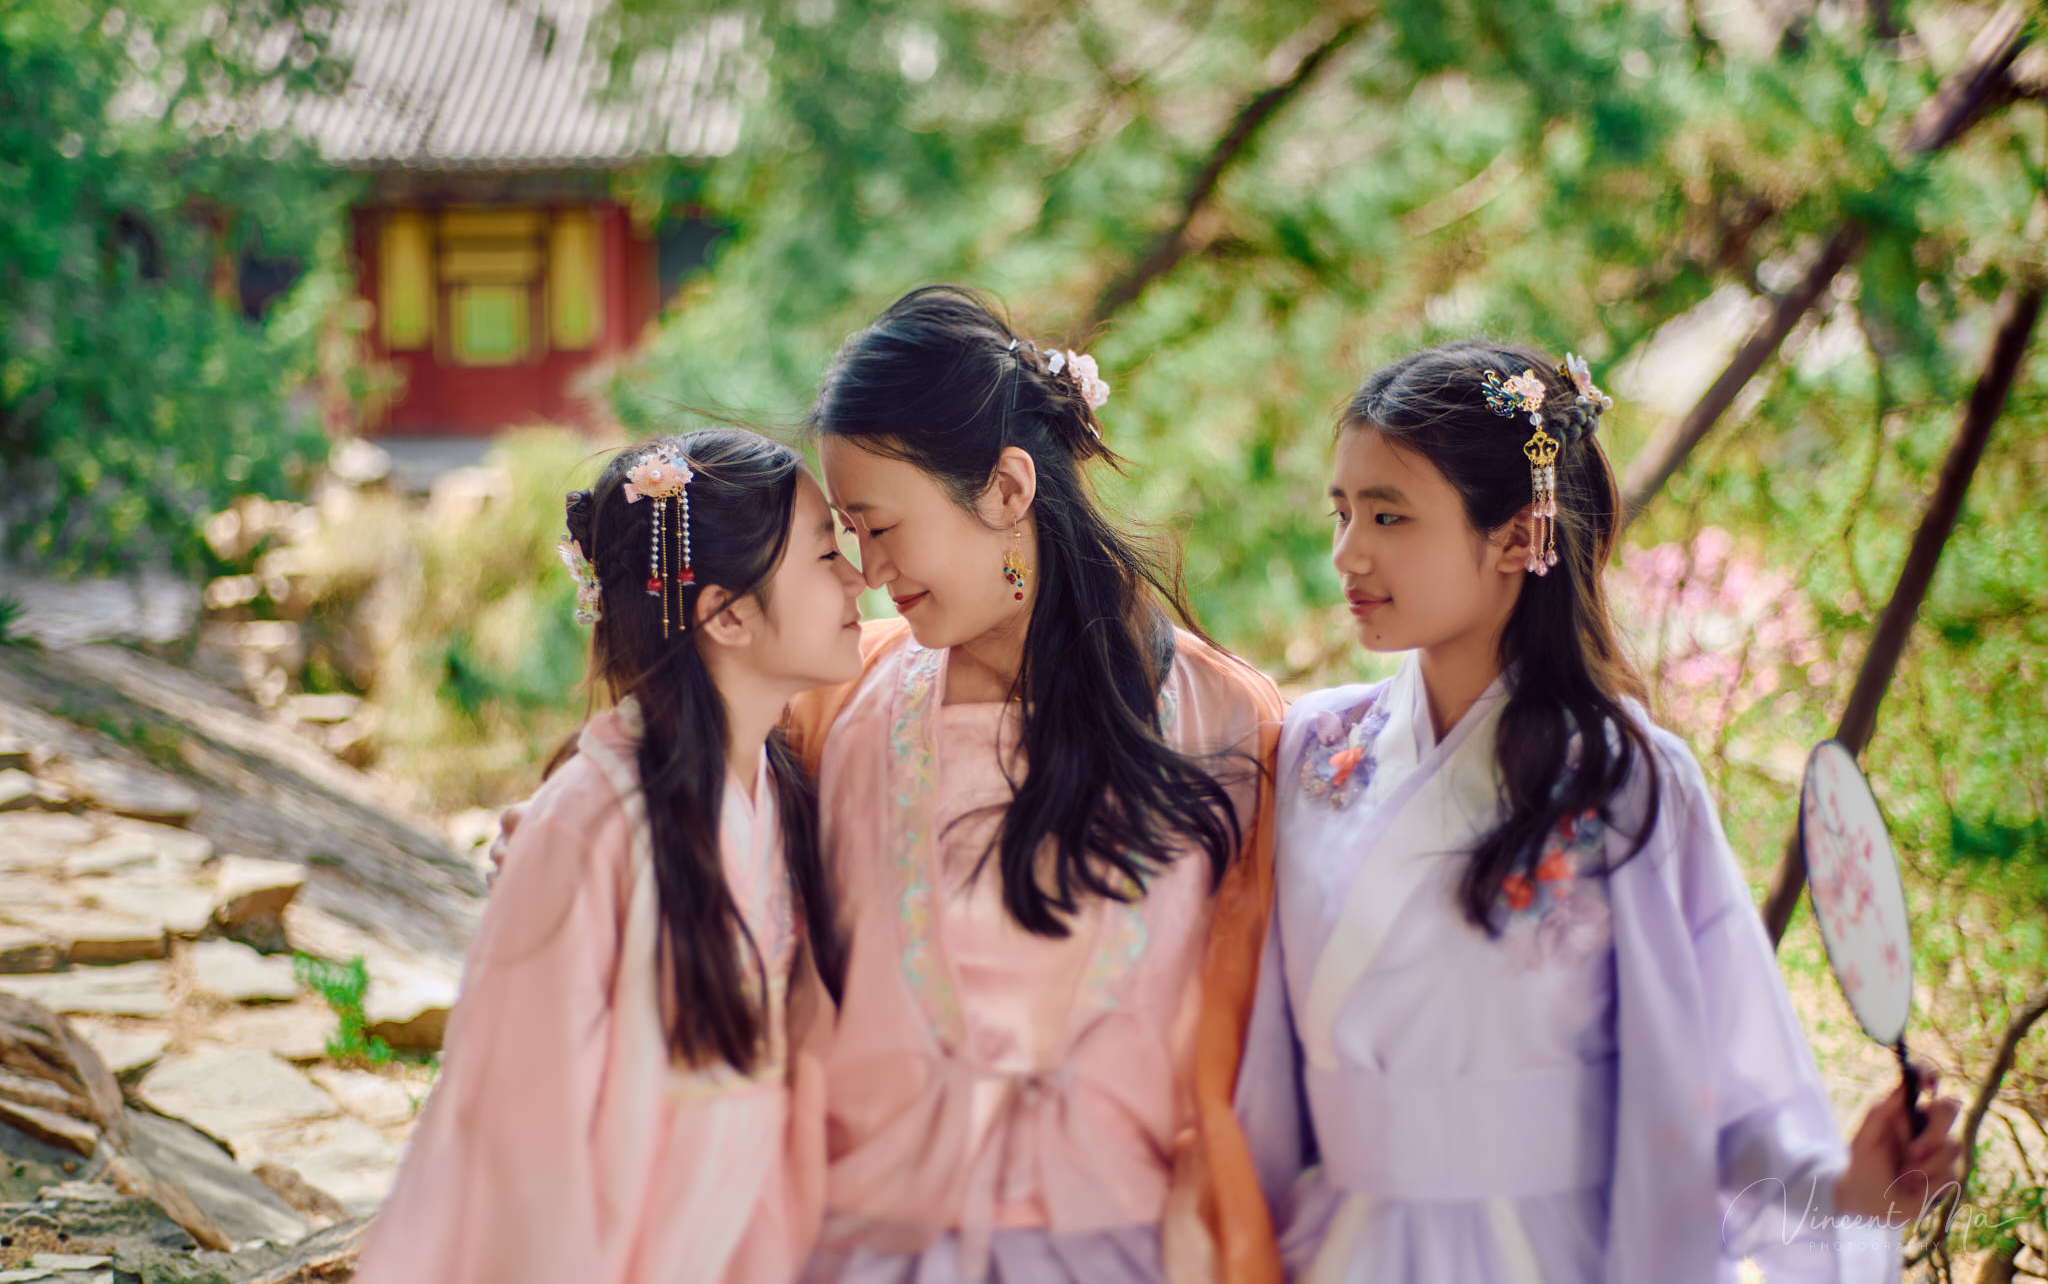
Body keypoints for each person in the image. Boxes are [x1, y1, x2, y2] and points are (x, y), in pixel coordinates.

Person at [1245, 341, 1964, 1284]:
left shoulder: (1628, 783)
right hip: (1338, 1251)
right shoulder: (1311, 749)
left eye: (1389, 514)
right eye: (1342, 512)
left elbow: (1730, 1102)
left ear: (1516, 534)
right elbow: (1250, 1060)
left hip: (1550, 1254)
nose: (1349, 552)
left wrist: (1846, 1192)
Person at [781, 286, 1288, 1283]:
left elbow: (1265, 1030)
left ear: (1008, 489)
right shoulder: (839, 707)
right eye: (848, 534)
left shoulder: (1223, 720)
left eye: (880, 526)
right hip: (875, 1242)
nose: (870, 570)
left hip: (1126, 1246)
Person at [353, 429, 865, 1284]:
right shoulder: (587, 826)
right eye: (825, 555)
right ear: (727, 613)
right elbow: (521, 1146)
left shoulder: (775, 791)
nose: (859, 577)